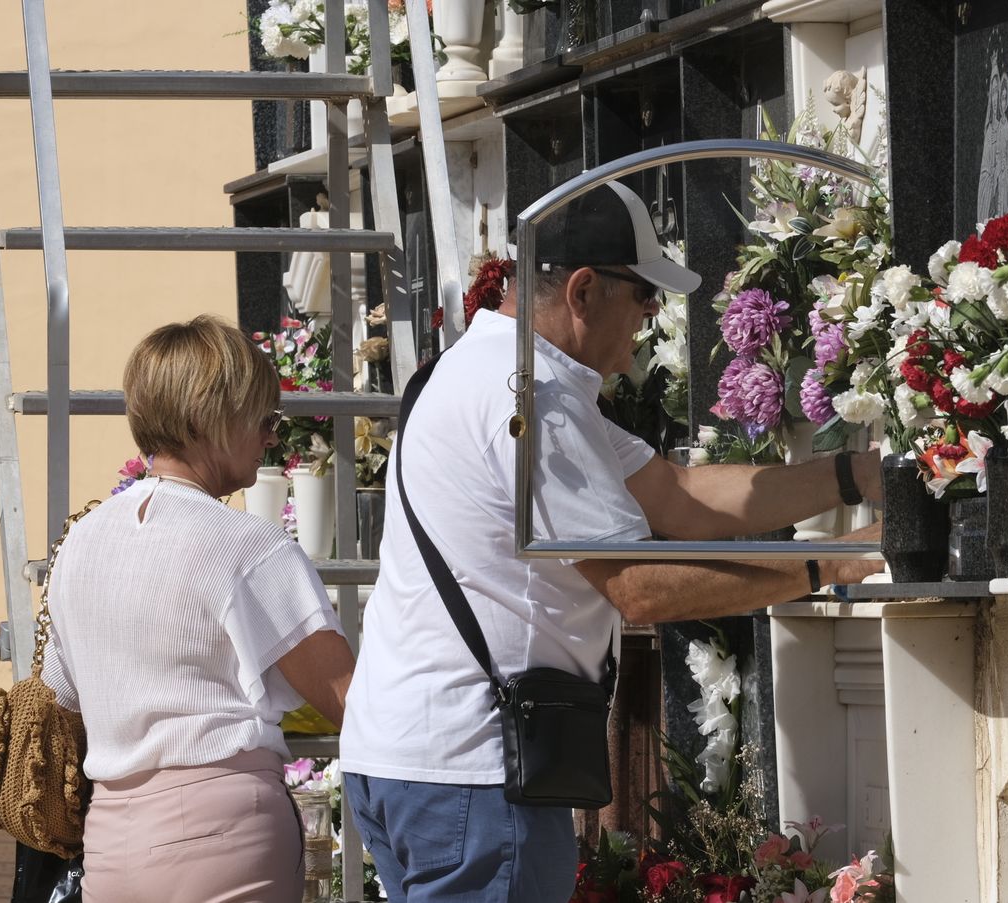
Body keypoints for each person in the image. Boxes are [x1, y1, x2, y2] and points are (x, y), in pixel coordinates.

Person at [341, 182, 884, 902]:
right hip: (475, 769)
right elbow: (640, 584)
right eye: (644, 297)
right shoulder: (527, 397)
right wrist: (839, 560)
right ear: (584, 289)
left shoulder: (480, 369)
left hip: (410, 758)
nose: (650, 319)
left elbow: (677, 497)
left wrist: (858, 474)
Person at [41, 315, 355, 903]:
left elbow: (62, 697)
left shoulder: (77, 544)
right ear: (211, 417)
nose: (271, 436)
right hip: (223, 832)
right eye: (263, 418)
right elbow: (348, 700)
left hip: (110, 838)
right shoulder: (248, 546)